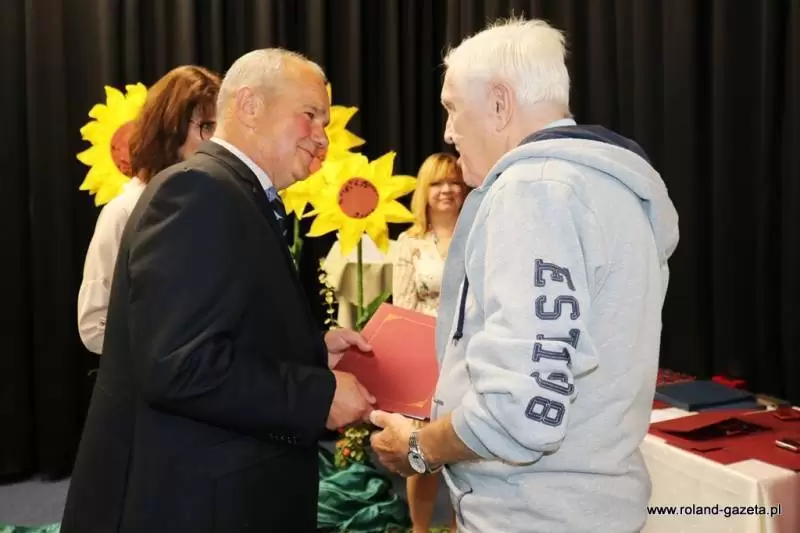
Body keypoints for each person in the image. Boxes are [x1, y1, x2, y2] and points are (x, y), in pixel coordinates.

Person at [370, 17, 679, 533]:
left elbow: (521, 411)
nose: (447, 131)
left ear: (499, 104)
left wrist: (419, 447)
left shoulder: (534, 189)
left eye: (452, 108)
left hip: (531, 515)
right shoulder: (610, 188)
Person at [61, 49, 376, 533]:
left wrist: (312, 350)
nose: (322, 137)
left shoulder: (233, 190)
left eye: (326, 123)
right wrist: (316, 396)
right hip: (196, 503)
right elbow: (180, 366)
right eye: (310, 114)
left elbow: (224, 329)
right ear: (249, 106)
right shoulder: (199, 191)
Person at [77, 65, 221, 354]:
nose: (216, 140)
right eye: (207, 126)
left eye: (220, 128)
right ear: (169, 128)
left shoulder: (215, 204)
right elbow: (93, 326)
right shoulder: (125, 211)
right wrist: (170, 351)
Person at [392, 152, 465, 533]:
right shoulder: (410, 243)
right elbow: (403, 309)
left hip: (469, 360)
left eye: (454, 181)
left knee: (464, 453)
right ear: (424, 190)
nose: (446, 190)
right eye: (437, 183)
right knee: (421, 455)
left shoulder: (479, 235)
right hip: (425, 363)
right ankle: (419, 530)